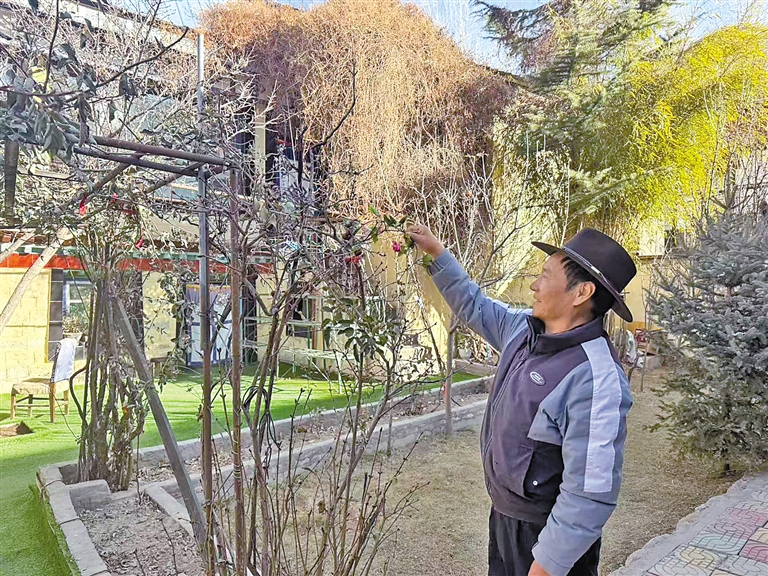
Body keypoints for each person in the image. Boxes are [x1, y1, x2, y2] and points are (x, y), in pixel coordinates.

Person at [406, 225, 637, 576]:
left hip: (548, 537)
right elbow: (474, 304)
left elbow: (589, 494)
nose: (534, 286)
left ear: (582, 292)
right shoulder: (522, 329)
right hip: (505, 520)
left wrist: (546, 565)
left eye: (545, 276)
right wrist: (437, 253)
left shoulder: (596, 377)